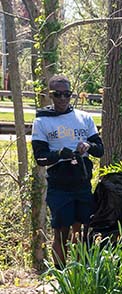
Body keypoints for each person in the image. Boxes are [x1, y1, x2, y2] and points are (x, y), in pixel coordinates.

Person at [31, 74, 104, 267]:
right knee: (61, 232)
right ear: (50, 95)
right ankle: (61, 277)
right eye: (57, 94)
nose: (62, 99)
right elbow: (40, 157)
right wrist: (60, 154)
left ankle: (79, 276)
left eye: (67, 94)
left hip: (82, 183)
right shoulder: (42, 121)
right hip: (59, 186)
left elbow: (100, 149)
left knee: (81, 233)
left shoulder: (84, 118)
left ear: (72, 95)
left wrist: (87, 145)